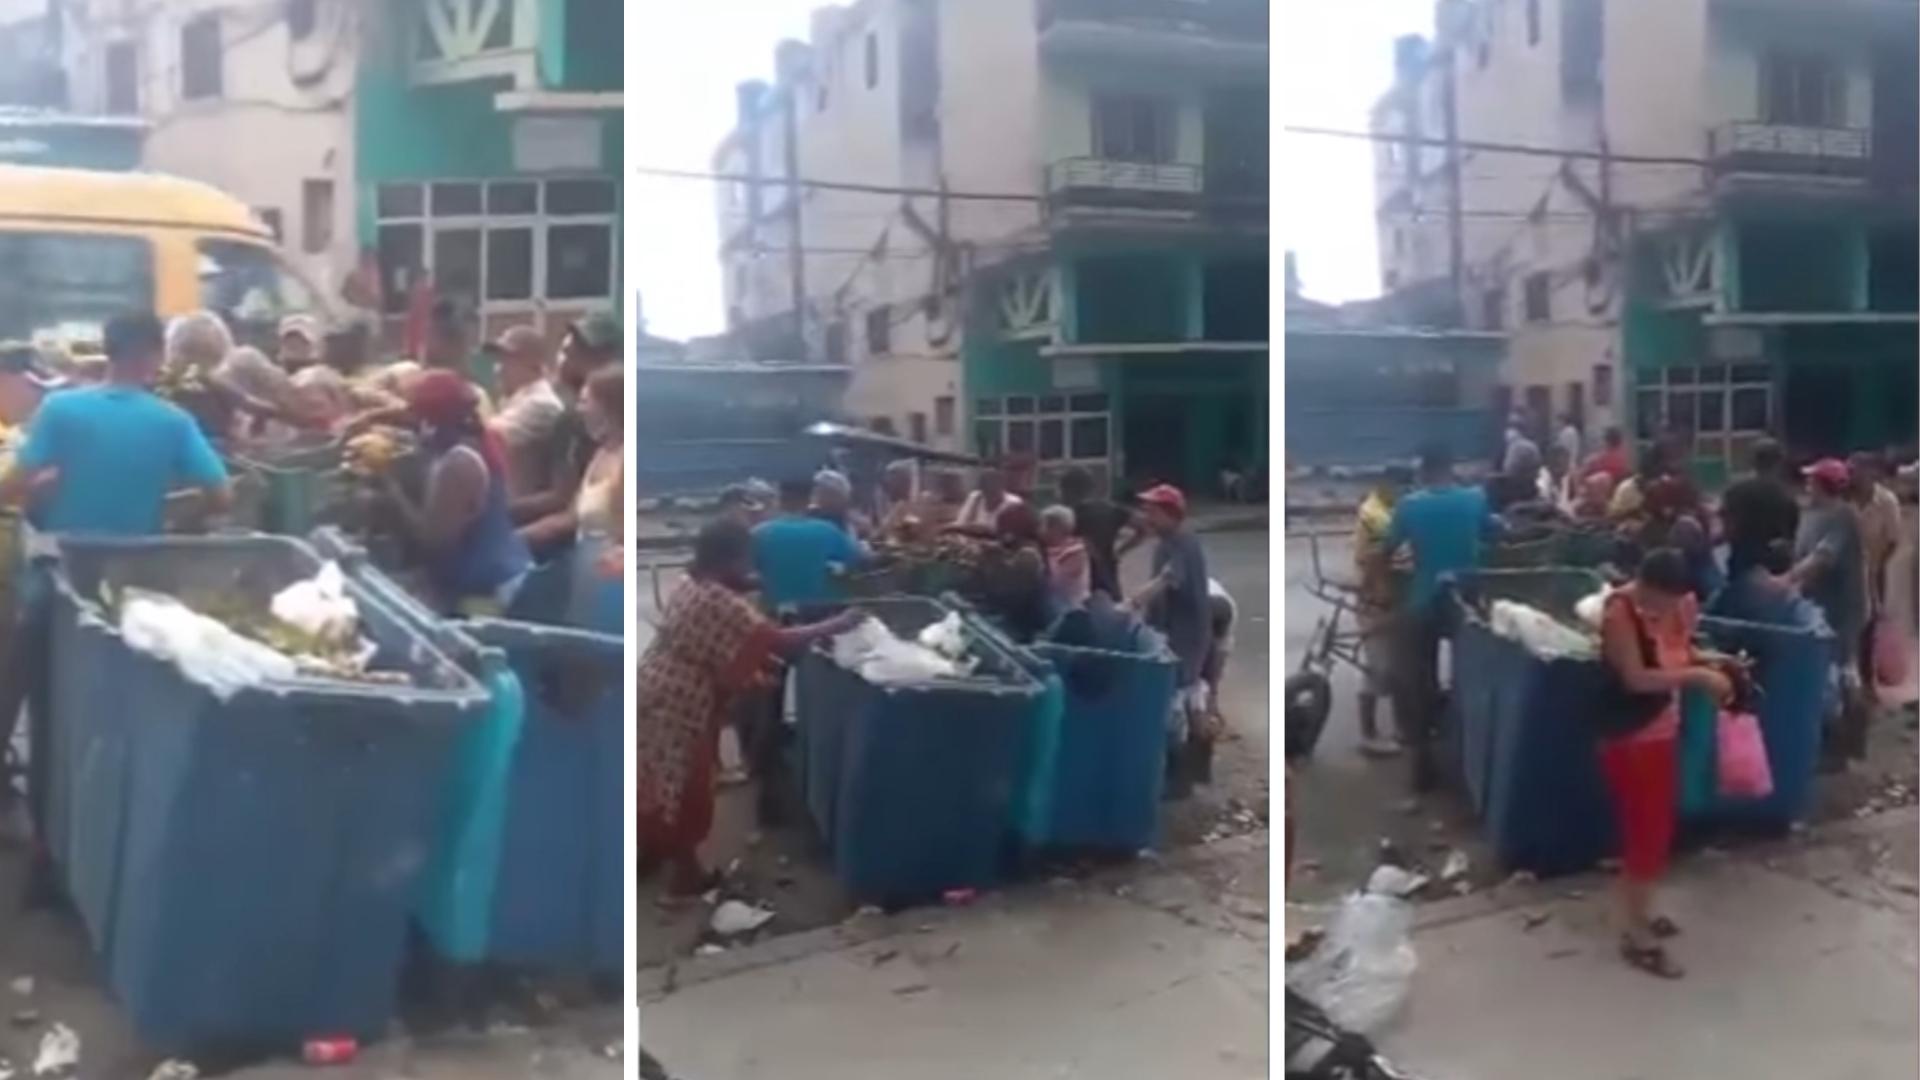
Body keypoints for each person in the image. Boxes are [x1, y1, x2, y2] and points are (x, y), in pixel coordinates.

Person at [0, 311, 231, 906]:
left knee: (38, 707)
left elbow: (12, 484)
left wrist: (47, 490)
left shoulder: (62, 411)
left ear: (106, 352)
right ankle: (103, 856)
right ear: (154, 355)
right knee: (110, 728)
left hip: (55, 583)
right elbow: (221, 493)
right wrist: (172, 516)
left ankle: (40, 859)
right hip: (127, 593)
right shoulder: (172, 421)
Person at [636, 519, 862, 900]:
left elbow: (717, 646)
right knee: (686, 792)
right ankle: (684, 879)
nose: (750, 568)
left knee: (655, 782)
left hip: (655, 686)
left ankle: (648, 854)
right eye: (745, 560)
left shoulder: (689, 584)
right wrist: (836, 624)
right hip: (680, 704)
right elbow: (776, 639)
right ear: (728, 559)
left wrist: (754, 674)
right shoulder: (720, 602)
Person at [1597, 548, 1733, 981]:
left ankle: (1639, 910)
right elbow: (1636, 678)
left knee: (1655, 828)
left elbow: (1679, 654)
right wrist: (1696, 677)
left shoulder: (1675, 609)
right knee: (1648, 833)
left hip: (1662, 730)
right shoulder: (1621, 613)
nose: (1670, 609)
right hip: (1631, 736)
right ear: (1645, 586)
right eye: (1663, 600)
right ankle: (1636, 935)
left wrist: (1713, 663)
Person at [1385, 444, 1499, 791]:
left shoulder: (1408, 506)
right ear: (1452, 468)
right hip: (1466, 601)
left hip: (1423, 601)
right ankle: (1470, 759)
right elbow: (1493, 535)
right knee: (1470, 678)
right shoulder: (1475, 498)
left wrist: (1388, 584)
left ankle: (1422, 764)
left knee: (1420, 681)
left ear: (1423, 471)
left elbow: (1387, 550)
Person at [382, 370, 531, 615]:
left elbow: (432, 540)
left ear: (431, 419)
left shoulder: (459, 463)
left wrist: (390, 486)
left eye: (417, 416)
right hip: (482, 578)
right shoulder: (470, 441)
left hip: (490, 592)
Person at [1127, 484, 1215, 797]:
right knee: (1190, 700)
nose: (1146, 516)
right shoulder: (1166, 542)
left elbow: (1168, 579)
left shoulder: (1182, 542)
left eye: (1153, 511)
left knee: (1176, 704)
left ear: (1170, 515)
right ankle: (1195, 770)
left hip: (1186, 636)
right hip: (1174, 631)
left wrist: (1135, 600)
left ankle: (1180, 778)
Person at [514, 313, 621, 560]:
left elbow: (563, 500)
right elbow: (573, 509)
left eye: (579, 353)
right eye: (566, 351)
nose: (566, 359)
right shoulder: (595, 443)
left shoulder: (576, 424)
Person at [1789, 458, 1869, 763]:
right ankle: (1833, 737)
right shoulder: (1813, 515)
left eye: (1812, 481)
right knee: (1827, 673)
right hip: (1817, 606)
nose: (1807, 486)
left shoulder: (1842, 516)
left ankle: (1846, 742)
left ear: (1824, 485)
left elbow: (1822, 558)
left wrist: (1788, 579)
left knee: (1843, 674)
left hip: (1842, 608)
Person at [1352, 468, 1410, 757]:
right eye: (1400, 486)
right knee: (1378, 668)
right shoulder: (1377, 515)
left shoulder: (1386, 508)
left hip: (1382, 595)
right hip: (1376, 597)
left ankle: (1401, 728)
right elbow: (1379, 558)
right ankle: (1368, 734)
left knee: (1395, 666)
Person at [753, 479, 868, 613]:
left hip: (778, 614)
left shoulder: (759, 533)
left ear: (779, 500)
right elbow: (855, 562)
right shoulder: (829, 531)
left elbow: (748, 574)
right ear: (810, 499)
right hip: (827, 613)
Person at [489, 326, 567, 500]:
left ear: (533, 364)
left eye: (507, 361)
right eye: (498, 360)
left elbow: (489, 436)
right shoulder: (516, 399)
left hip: (526, 511)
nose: (498, 369)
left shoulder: (541, 403)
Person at [1720, 439, 1801, 588]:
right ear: (1778, 463)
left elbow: (1726, 530)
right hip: (1775, 569)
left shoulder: (1735, 491)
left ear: (1753, 461)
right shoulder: (1786, 496)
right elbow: (1791, 537)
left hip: (1742, 564)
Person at [1058, 466, 1133, 602]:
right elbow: (1144, 527)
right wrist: (1122, 550)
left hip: (1080, 583)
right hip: (1109, 577)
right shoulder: (1110, 508)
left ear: (1068, 490)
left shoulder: (1069, 515)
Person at [1039, 504, 1090, 612]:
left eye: (1044, 525)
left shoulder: (1075, 551)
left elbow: (1056, 582)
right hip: (1047, 603)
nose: (1040, 530)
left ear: (1058, 528)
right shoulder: (1044, 548)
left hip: (1069, 607)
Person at [953, 464, 1023, 532]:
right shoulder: (975, 497)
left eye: (993, 487)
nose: (990, 490)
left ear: (1002, 486)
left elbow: (1012, 533)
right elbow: (960, 524)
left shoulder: (1014, 504)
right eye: (986, 488)